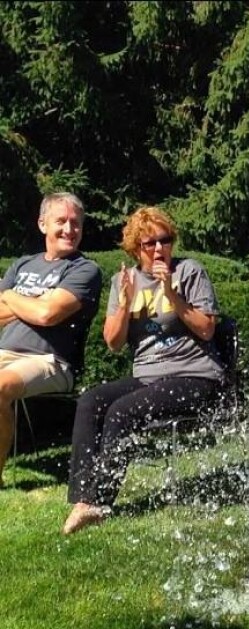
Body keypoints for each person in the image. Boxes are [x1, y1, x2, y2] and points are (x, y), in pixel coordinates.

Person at [62, 206, 226, 535]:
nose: (158, 249)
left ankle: (99, 502)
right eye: (149, 244)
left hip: (195, 375)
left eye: (164, 241)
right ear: (136, 249)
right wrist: (124, 304)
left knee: (122, 412)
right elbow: (112, 342)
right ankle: (81, 500)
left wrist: (170, 294)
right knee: (90, 401)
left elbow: (207, 329)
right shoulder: (125, 281)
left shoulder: (189, 272)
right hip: (148, 375)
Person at [0, 192, 102, 484]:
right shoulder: (22, 264)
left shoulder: (84, 269)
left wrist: (9, 295)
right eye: (61, 221)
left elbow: (47, 315)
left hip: (50, 361)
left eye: (76, 223)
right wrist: (34, 302)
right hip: (5, 351)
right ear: (43, 224)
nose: (69, 230)